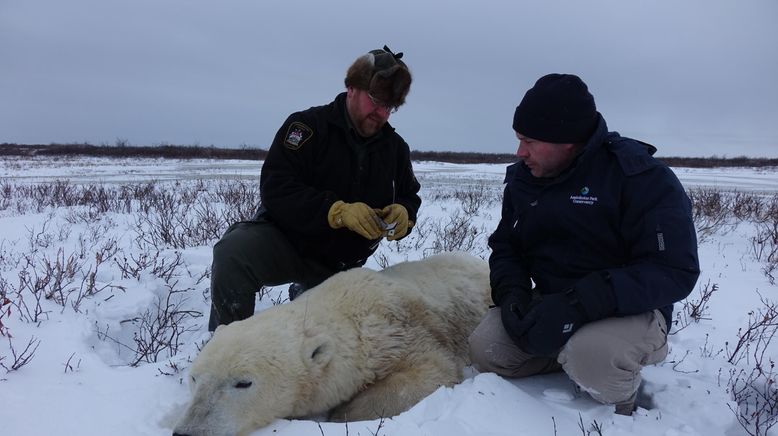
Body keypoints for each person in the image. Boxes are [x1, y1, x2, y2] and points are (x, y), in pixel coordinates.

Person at [468, 73, 700, 415]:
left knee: (593, 358)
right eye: (518, 139)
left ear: (567, 140)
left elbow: (674, 271)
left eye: (529, 141)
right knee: (487, 348)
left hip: (630, 310)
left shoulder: (641, 178)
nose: (520, 152)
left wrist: (578, 305)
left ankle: (613, 384)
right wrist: (513, 294)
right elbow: (507, 247)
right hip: (553, 303)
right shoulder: (524, 179)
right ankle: (566, 353)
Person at [208, 46, 421, 331]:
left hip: (341, 265)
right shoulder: (306, 127)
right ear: (352, 88)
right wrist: (335, 212)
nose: (381, 112)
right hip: (288, 242)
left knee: (321, 334)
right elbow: (276, 187)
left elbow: (409, 195)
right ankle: (226, 347)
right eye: (375, 100)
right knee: (233, 253)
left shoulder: (395, 149)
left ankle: (308, 294)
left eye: (390, 106)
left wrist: (404, 213)